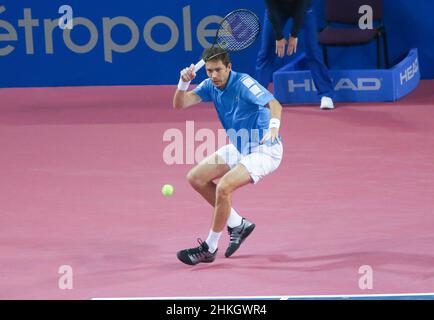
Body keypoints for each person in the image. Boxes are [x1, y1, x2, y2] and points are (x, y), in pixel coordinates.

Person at [173, 47, 284, 265]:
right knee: (196, 177)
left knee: (224, 187)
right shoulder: (209, 86)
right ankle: (237, 223)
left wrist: (273, 127)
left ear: (229, 67)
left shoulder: (244, 83)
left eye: (218, 70)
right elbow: (180, 104)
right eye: (209, 71)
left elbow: (274, 104)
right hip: (241, 145)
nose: (213, 75)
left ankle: (210, 247)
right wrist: (183, 82)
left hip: (265, 149)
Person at [256, 0, 335, 110]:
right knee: (265, 53)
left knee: (313, 51)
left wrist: (294, 34)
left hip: (303, 8)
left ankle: (326, 95)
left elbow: (301, 6)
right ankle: (259, 98)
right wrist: (279, 36)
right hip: (276, 11)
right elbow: (271, 7)